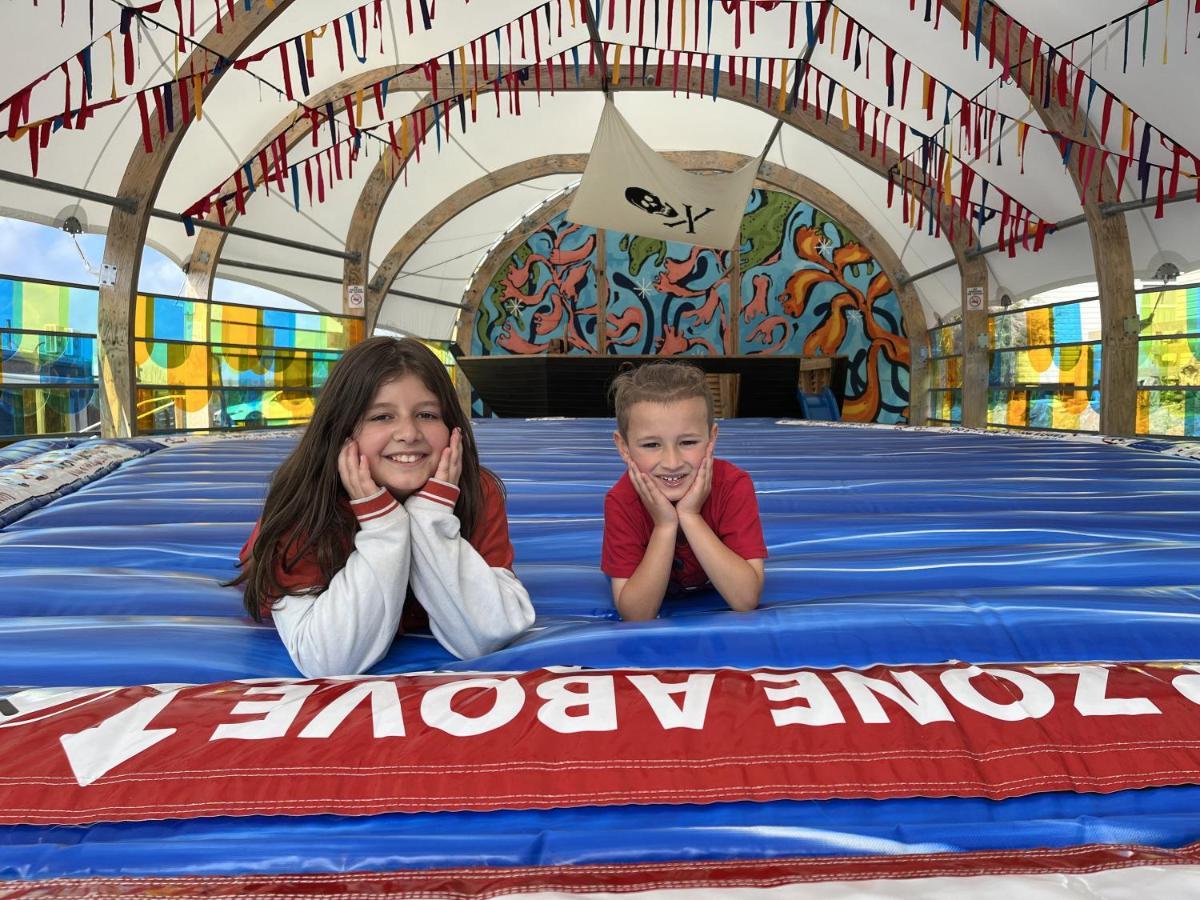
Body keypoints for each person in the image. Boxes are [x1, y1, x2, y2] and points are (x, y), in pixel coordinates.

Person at [232, 337, 534, 677]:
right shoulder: (307, 501)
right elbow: (327, 660)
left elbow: (486, 636)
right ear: (342, 429)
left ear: (452, 428)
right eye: (381, 416)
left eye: (426, 414)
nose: (408, 432)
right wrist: (383, 527)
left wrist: (430, 517)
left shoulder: (475, 490)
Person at [601, 361, 767, 621]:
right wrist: (665, 526)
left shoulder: (733, 485)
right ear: (623, 447)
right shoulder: (622, 501)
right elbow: (636, 614)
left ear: (711, 438)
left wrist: (690, 515)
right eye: (652, 444)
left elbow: (745, 599)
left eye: (688, 442)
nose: (672, 462)